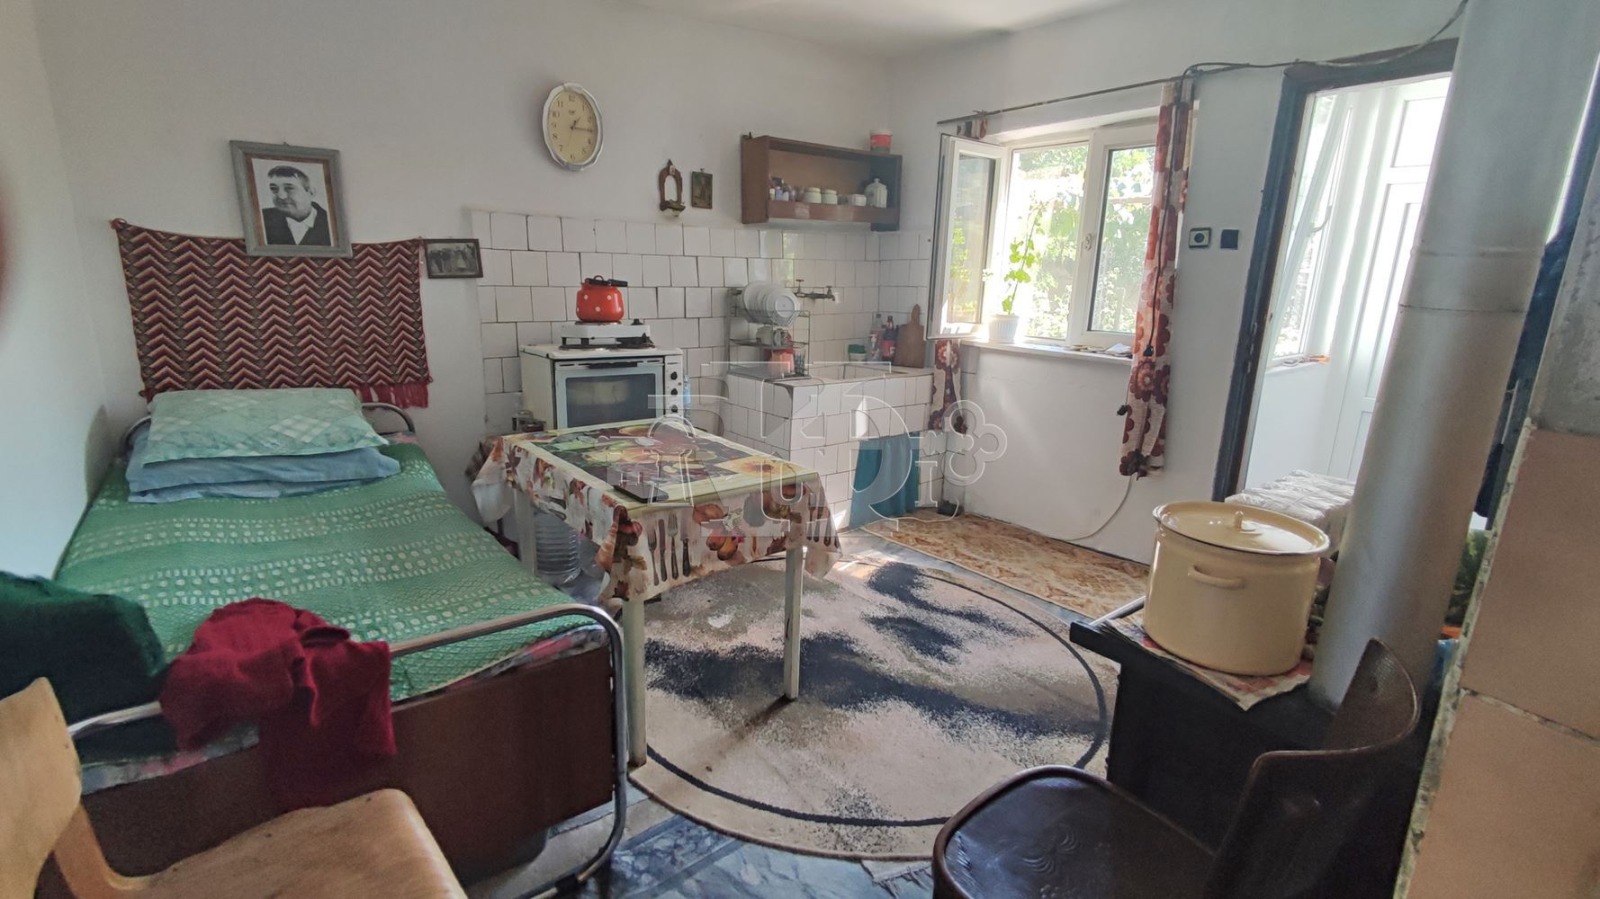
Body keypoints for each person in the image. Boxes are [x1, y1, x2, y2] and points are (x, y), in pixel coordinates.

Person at [260, 165, 331, 246]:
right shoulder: (261, 219)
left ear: (311, 192)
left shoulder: (331, 224)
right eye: (273, 188)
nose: (281, 196)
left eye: (289, 188)